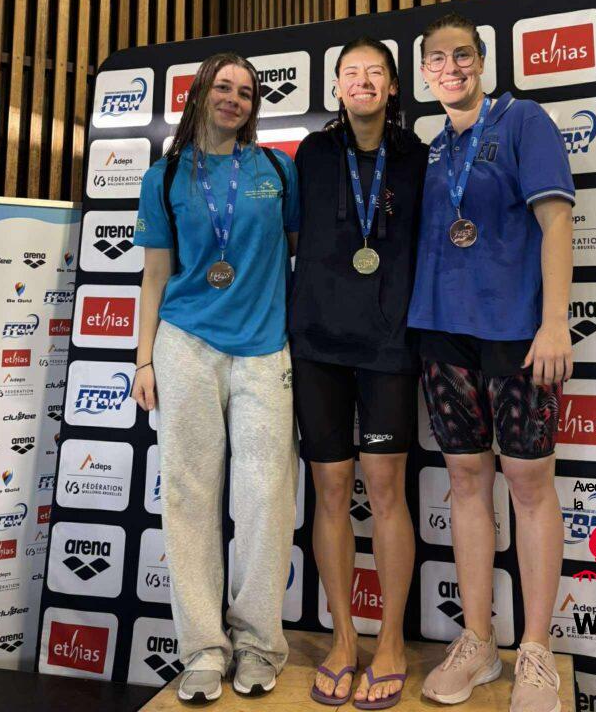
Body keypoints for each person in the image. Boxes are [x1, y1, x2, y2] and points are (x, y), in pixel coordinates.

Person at [407, 13, 574, 712]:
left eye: (462, 55)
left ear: (481, 60)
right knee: (466, 482)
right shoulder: (434, 147)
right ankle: (478, 641)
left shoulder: (523, 120)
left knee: (529, 484)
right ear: (424, 73)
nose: (451, 68)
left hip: (516, 333)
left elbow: (557, 220)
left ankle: (536, 649)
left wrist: (556, 321)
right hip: (443, 333)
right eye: (437, 59)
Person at [131, 52, 299, 705]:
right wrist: (144, 359)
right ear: (200, 94)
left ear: (254, 106)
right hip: (185, 347)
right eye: (223, 87)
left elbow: (301, 252)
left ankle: (258, 643)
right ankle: (202, 646)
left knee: (265, 499)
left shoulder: (275, 170)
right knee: (190, 498)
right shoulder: (165, 175)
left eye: (246, 92)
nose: (234, 98)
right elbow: (154, 276)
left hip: (263, 350)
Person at [289, 37, 428, 710]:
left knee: (387, 488)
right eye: (351, 72)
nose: (363, 81)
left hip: (389, 346)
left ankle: (391, 641)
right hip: (317, 343)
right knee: (331, 488)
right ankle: (344, 639)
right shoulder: (313, 154)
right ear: (336, 86)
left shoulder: (418, 157)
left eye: (376, 72)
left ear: (393, 87)